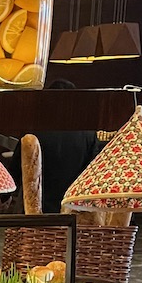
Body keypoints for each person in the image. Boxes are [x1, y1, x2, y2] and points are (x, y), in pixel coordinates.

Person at [34, 79, 101, 213]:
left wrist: (5, 196)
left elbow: (19, 168)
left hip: (37, 209)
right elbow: (94, 171)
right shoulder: (88, 133)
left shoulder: (35, 131)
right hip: (75, 208)